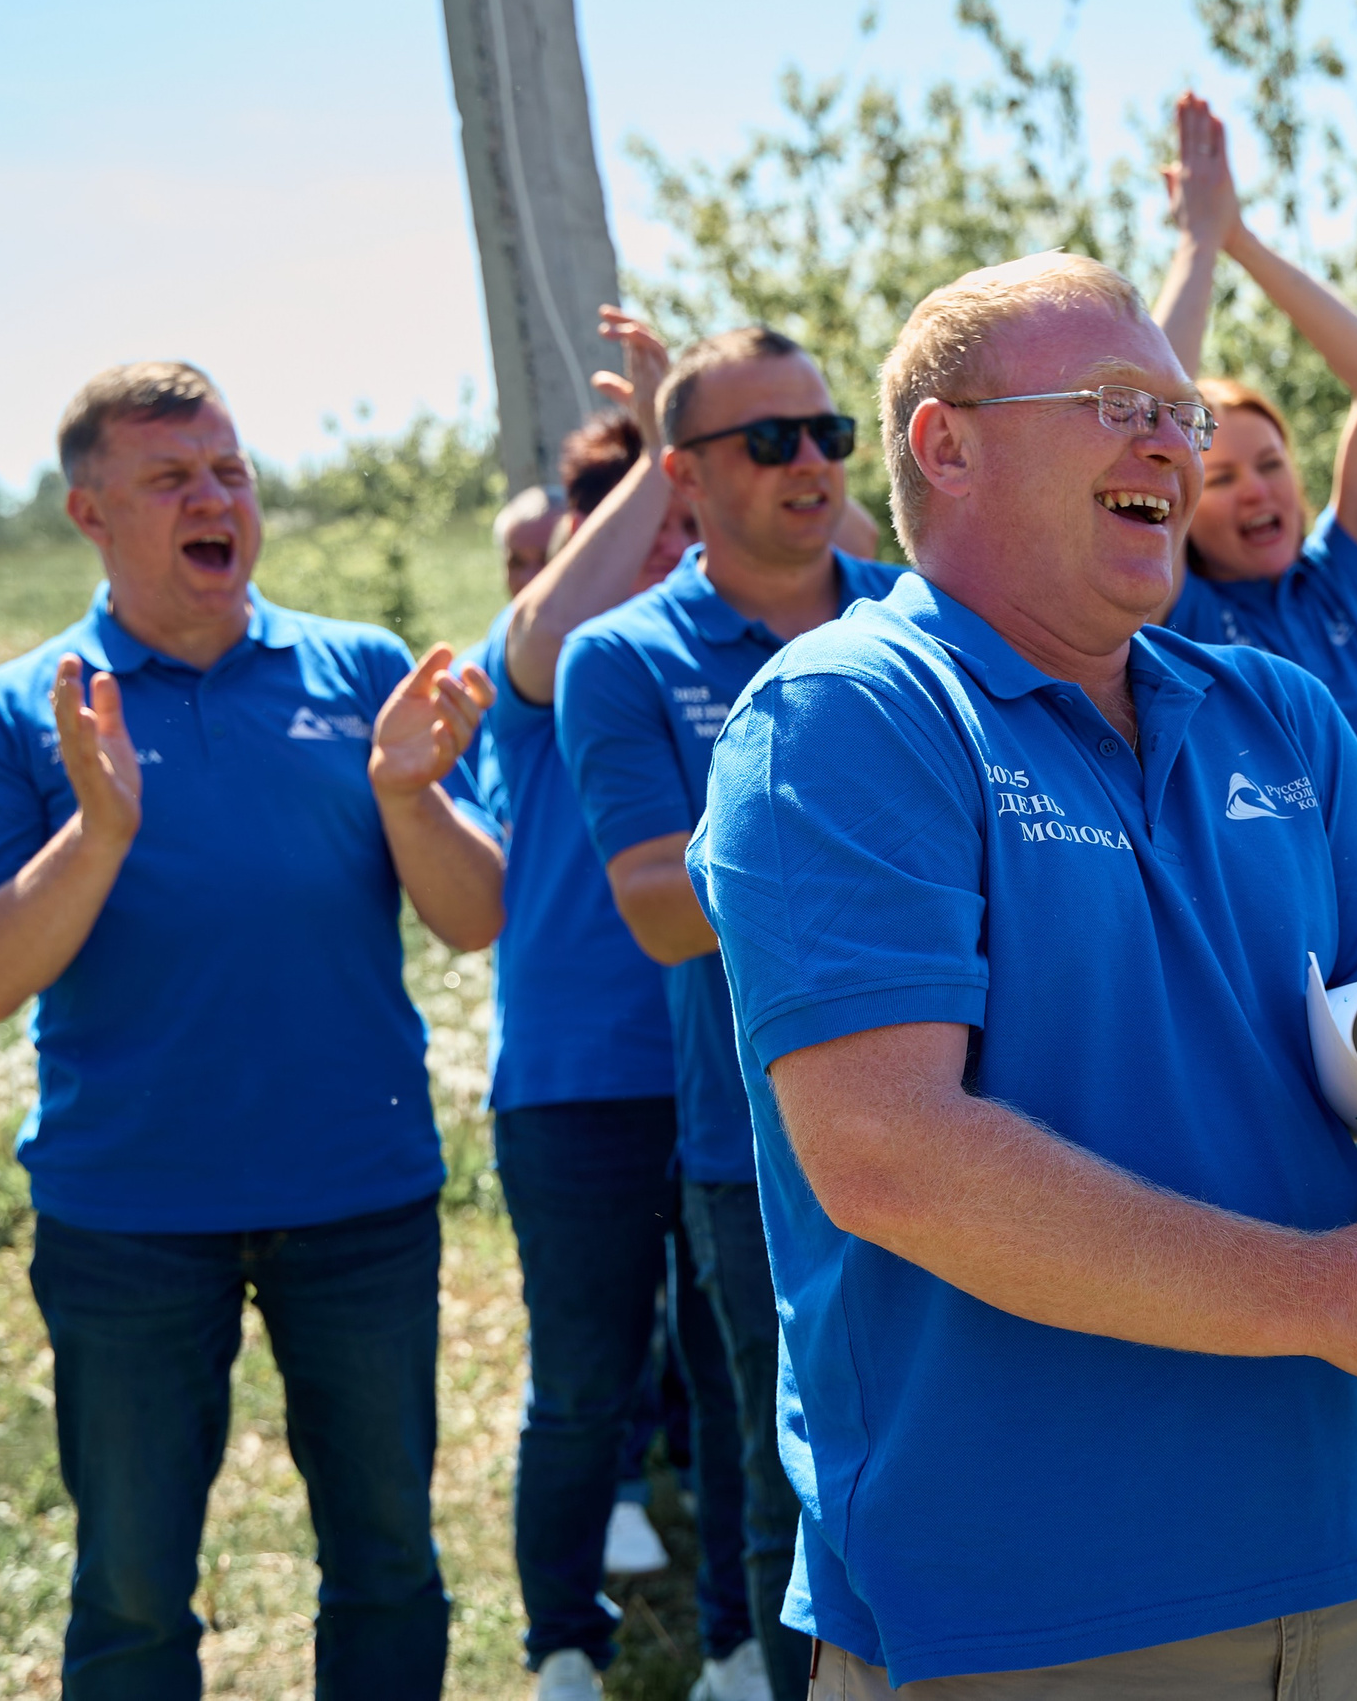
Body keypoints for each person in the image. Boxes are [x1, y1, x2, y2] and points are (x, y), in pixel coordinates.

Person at [687, 250, 1357, 1697]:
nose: (1171, 444)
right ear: (946, 444)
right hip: (1022, 1603)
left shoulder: (1278, 712)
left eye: (1182, 417)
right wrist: (1332, 1294)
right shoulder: (848, 715)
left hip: (1356, 1549)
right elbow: (890, 1154)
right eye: (1116, 401)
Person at [0, 362, 504, 1699]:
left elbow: (474, 914)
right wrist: (103, 826)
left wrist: (410, 793)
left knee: (387, 1561)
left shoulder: (363, 671)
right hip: (127, 1212)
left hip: (359, 1196)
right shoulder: (25, 710)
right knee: (131, 1587)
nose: (215, 497)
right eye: (172, 477)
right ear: (92, 515)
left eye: (231, 470)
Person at [557, 323, 895, 1701]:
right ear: (682, 475)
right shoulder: (619, 657)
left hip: (988, 1102)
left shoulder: (923, 614)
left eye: (828, 432)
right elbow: (652, 902)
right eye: (770, 439)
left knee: (973, 1448)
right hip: (757, 1148)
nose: (809, 460)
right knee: (797, 1476)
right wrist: (855, 815)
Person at [464, 309, 744, 1701]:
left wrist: (704, 458)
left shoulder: (716, 644)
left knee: (733, 1372)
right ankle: (563, 1643)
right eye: (636, 519)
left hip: (724, 1071)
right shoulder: (562, 660)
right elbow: (537, 623)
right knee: (583, 1381)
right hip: (576, 1079)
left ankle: (740, 1634)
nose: (656, 547)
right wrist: (668, 430)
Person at [1147, 92, 1357, 982]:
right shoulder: (1165, 610)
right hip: (1296, 995)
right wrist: (1194, 247)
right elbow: (1149, 418)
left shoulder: (1340, 582)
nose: (1257, 489)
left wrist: (1240, 239)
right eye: (1218, 476)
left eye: (1269, 463)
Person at [497, 483, 569, 596]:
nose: (529, 579)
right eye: (517, 564)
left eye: (545, 560)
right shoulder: (509, 614)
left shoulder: (603, 612)